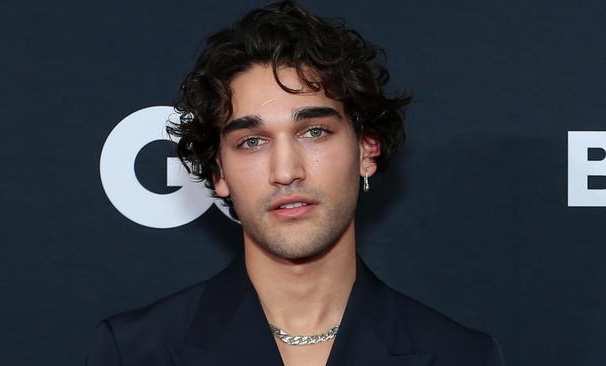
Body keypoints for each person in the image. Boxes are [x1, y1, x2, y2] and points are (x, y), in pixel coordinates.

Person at [86, 1, 504, 365]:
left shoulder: (461, 355)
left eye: (315, 132)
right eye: (251, 141)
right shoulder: (135, 352)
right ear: (218, 172)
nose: (286, 171)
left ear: (367, 149)